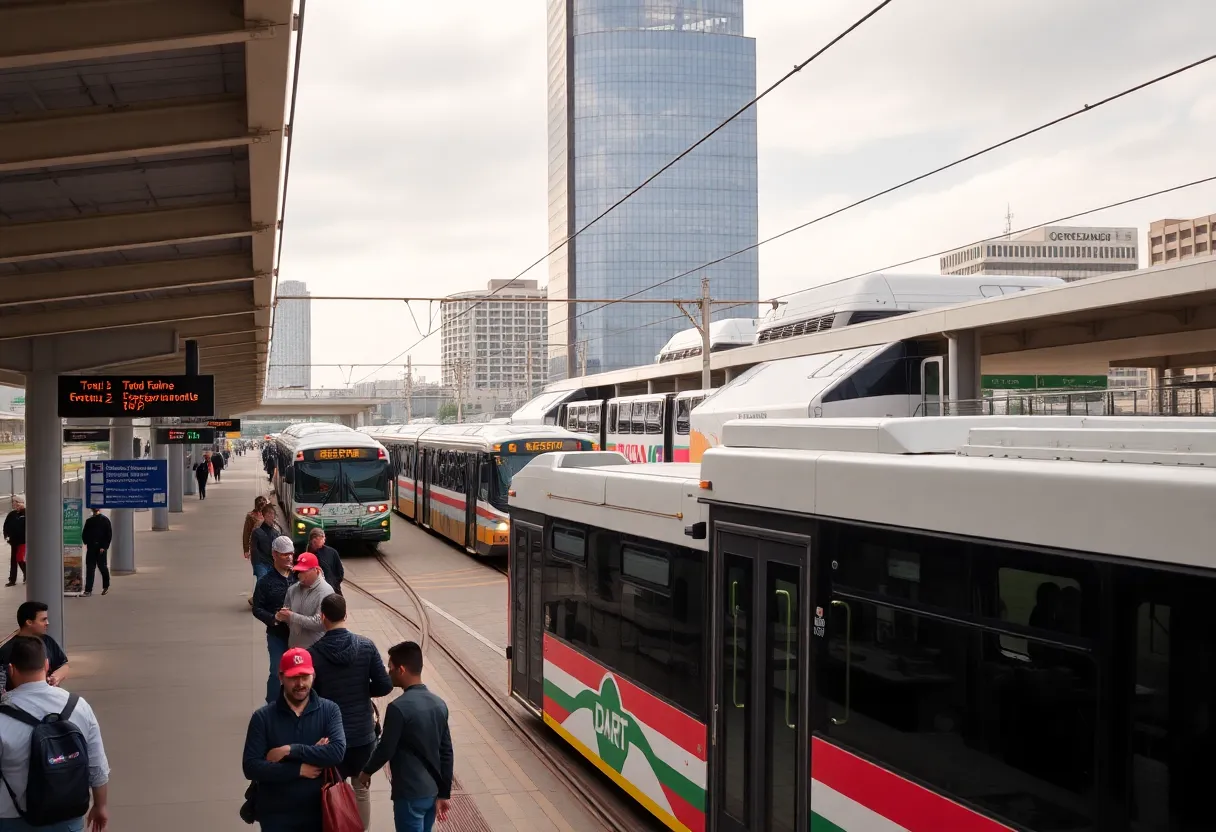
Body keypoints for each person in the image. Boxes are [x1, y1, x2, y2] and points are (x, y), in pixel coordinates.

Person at [0, 636, 110, 832]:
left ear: (11, 669)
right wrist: (100, 806)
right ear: (47, 664)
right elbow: (97, 766)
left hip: (13, 818)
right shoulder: (78, 706)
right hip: (68, 816)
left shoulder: (3, 716)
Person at [309, 594, 392, 829]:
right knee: (361, 790)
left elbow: (310, 697)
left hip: (331, 737)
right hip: (362, 735)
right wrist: (363, 690)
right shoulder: (366, 646)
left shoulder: (314, 653)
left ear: (323, 617)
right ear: (346, 615)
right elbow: (385, 685)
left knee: (332, 788)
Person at [242, 648, 346, 832]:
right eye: (293, 677)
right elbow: (251, 767)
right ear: (281, 677)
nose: (300, 684)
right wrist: (298, 769)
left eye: (305, 677)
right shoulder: (262, 718)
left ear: (313, 675)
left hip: (320, 814)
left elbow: (336, 752)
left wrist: (290, 750)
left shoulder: (330, 711)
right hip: (276, 816)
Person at [360, 641, 452, 832]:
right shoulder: (439, 704)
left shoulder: (398, 708)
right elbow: (446, 752)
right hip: (432, 791)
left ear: (401, 669)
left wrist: (366, 771)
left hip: (409, 793)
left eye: (390, 668)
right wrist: (444, 793)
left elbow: (386, 748)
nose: (388, 673)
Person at [252, 543, 295, 705]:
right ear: (274, 555)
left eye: (291, 553)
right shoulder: (265, 582)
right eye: (285, 554)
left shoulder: (296, 576)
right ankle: (272, 704)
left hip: (298, 634)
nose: (290, 557)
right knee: (276, 670)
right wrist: (274, 618)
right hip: (277, 635)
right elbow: (257, 608)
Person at [0, 603, 69, 693]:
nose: (47, 623)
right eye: (43, 620)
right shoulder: (6, 650)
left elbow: (64, 665)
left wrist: (57, 677)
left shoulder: (48, 641)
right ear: (29, 622)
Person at [278, 550, 333, 650]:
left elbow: (321, 623)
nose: (300, 575)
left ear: (316, 570)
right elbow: (287, 612)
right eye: (299, 571)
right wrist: (283, 616)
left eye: (304, 571)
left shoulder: (326, 591)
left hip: (315, 650)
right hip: (294, 648)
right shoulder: (293, 589)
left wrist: (292, 616)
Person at [249, 504, 283, 591]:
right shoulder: (257, 531)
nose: (271, 517)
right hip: (261, 563)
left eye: (272, 514)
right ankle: (258, 601)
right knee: (262, 581)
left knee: (271, 583)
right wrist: (256, 564)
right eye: (269, 514)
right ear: (264, 516)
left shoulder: (276, 531)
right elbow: (254, 549)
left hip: (271, 562)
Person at [80, 508, 112, 598]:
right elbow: (108, 535)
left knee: (98, 568)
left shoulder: (100, 520)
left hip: (96, 548)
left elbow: (108, 534)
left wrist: (103, 546)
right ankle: (91, 589)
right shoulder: (97, 520)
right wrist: (103, 546)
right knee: (95, 568)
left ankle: (101, 587)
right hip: (96, 548)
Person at [305, 529, 344, 597]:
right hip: (313, 593)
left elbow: (340, 572)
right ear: (314, 540)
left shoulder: (332, 552)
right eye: (322, 538)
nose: (324, 540)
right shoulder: (304, 555)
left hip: (332, 591)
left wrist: (333, 584)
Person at [2, 497, 25, 588]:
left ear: (22, 503)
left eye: (18, 503)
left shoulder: (27, 513)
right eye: (15, 503)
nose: (16, 505)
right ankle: (12, 579)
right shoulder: (12, 514)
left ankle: (27, 574)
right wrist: (6, 534)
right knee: (14, 560)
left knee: (21, 559)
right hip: (14, 541)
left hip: (23, 541)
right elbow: (6, 525)